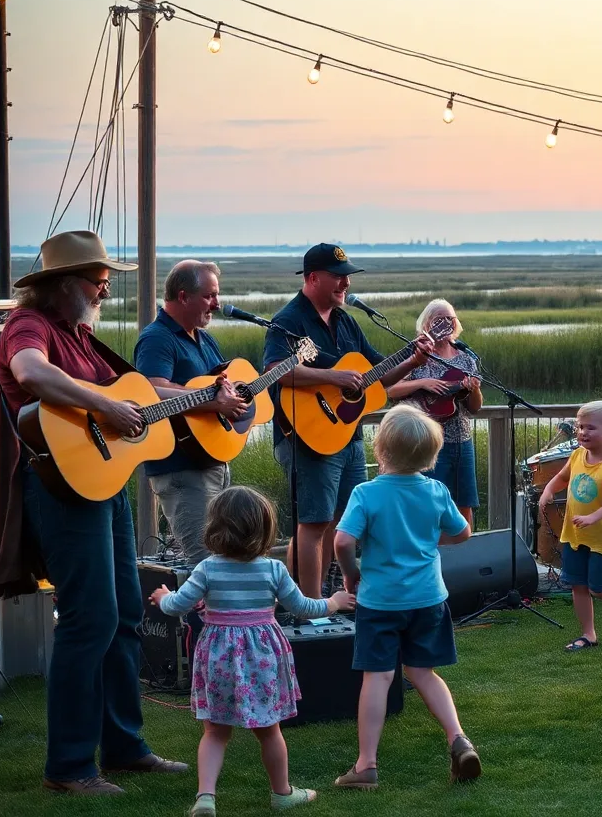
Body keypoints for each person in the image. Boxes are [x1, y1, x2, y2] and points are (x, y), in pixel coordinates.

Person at [0, 230, 187, 794]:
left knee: (125, 613)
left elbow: (128, 393)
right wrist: (105, 404)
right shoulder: (31, 328)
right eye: (97, 279)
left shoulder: (81, 335)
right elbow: (30, 374)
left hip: (105, 483)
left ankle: (125, 748)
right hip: (60, 487)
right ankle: (71, 767)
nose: (105, 288)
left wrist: (198, 398)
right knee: (90, 620)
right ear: (64, 284)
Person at [151, 487, 355, 815]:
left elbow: (177, 606)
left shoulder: (207, 569)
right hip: (261, 658)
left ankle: (206, 797)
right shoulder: (272, 570)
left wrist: (163, 597)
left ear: (216, 527)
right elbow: (302, 607)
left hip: (219, 656)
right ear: (264, 530)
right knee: (269, 730)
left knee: (215, 732)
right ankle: (282, 793)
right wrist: (333, 602)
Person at [264, 243, 431, 598]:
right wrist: (334, 377)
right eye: (338, 277)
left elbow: (377, 375)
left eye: (347, 278)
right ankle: (309, 608)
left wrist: (413, 361)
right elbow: (274, 372)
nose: (345, 284)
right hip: (306, 436)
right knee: (313, 522)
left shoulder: (346, 322)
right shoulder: (289, 320)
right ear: (313, 278)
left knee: (345, 520)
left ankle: (325, 597)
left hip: (348, 435)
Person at [332, 405, 481, 788]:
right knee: (422, 672)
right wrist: (432, 540)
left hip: (381, 603)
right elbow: (462, 533)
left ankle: (366, 765)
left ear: (381, 450)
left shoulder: (366, 492)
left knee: (378, 677)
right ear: (431, 456)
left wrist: (351, 576)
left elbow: (344, 540)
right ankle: (458, 739)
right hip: (428, 599)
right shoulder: (435, 490)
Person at [135, 260, 248, 564]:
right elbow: (151, 391)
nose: (217, 303)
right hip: (181, 469)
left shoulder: (203, 337)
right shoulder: (157, 337)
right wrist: (214, 401)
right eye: (210, 296)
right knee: (204, 564)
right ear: (183, 296)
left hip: (212, 461)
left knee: (223, 559)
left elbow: (222, 390)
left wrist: (235, 403)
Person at [539, 400, 602, 651]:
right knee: (578, 584)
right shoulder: (577, 455)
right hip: (574, 533)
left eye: (591, 428)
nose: (583, 432)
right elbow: (561, 478)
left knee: (599, 587)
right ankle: (588, 634)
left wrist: (593, 517)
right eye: (580, 427)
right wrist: (548, 490)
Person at [387, 299, 483, 527]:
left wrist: (474, 388)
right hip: (425, 442)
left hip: (461, 440)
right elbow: (390, 389)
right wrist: (423, 383)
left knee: (463, 502)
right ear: (427, 323)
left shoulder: (466, 357)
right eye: (439, 319)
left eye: (450, 319)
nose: (445, 323)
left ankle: (462, 554)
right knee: (428, 504)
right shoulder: (416, 355)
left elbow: (475, 408)